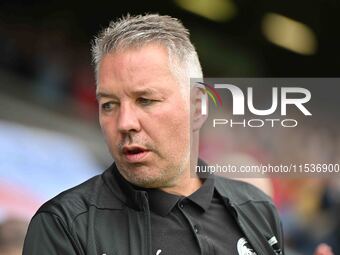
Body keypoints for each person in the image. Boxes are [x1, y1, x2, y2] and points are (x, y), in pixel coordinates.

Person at [23, 14, 285, 255]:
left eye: (145, 100)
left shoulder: (257, 209)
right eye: (109, 105)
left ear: (197, 106)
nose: (125, 123)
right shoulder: (65, 226)